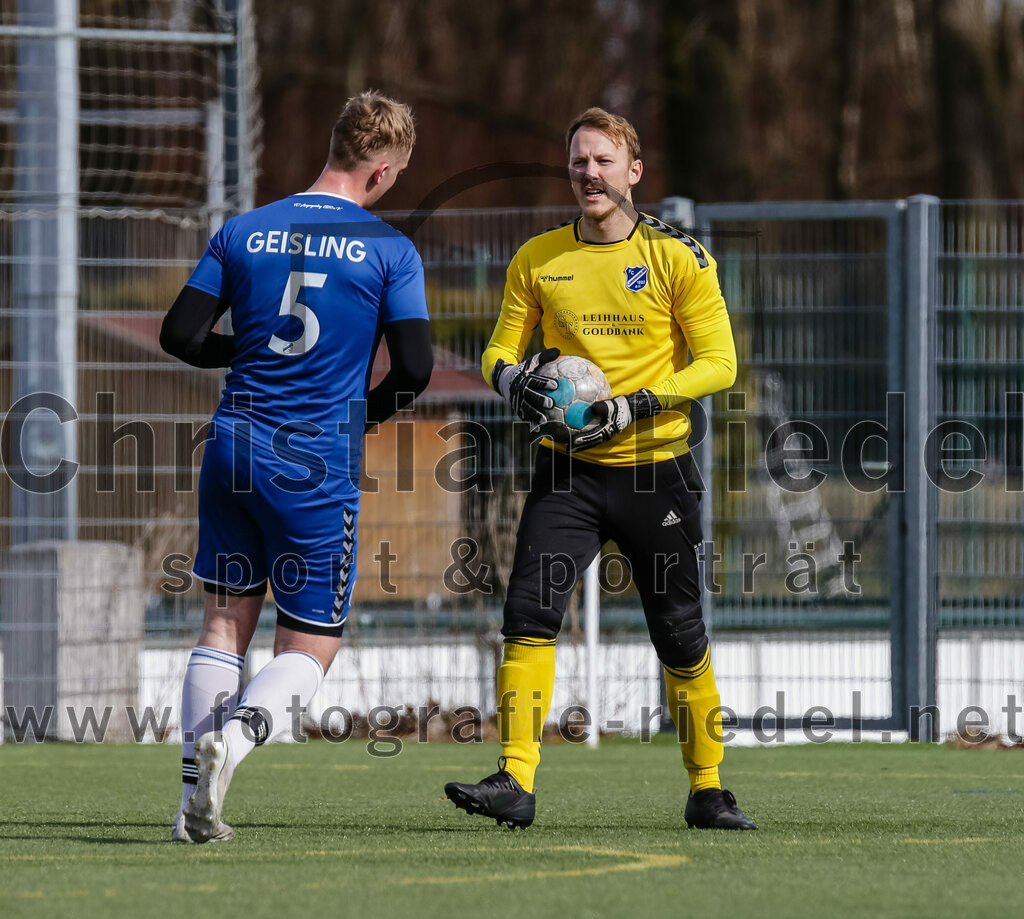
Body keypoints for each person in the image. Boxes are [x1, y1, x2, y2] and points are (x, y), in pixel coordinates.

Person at [444, 107, 754, 830]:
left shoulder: (679, 257)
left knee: (680, 634)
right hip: (568, 474)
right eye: (579, 161)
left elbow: (720, 364)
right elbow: (497, 351)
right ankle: (515, 779)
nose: (589, 173)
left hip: (655, 471)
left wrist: (637, 403)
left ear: (633, 171)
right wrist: (513, 382)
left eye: (604, 160)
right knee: (527, 616)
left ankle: (708, 790)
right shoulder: (538, 258)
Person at [160, 90, 432, 843]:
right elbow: (414, 367)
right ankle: (238, 738)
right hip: (314, 461)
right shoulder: (389, 250)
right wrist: (364, 414)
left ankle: (191, 808)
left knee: (223, 623)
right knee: (311, 643)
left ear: (333, 145)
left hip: (233, 447)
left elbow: (180, 335)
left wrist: (246, 350)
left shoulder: (244, 229)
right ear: (381, 173)